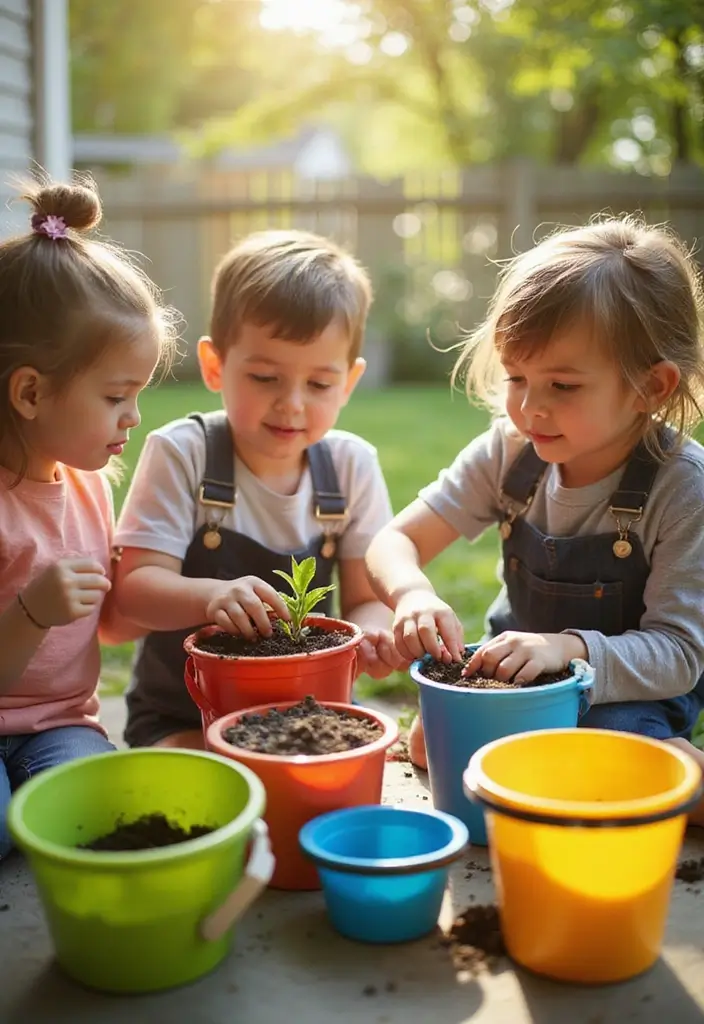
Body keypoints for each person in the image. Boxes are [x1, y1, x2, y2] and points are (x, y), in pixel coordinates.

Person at [366, 216, 704, 823]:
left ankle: (681, 774)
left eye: (563, 385)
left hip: (618, 693)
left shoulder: (683, 486)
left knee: (600, 764)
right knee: (428, 750)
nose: (529, 406)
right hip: (514, 679)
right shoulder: (510, 452)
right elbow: (394, 541)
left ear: (650, 387)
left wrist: (566, 648)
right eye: (517, 378)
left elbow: (679, 654)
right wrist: (412, 593)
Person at [113, 229, 405, 750]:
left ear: (349, 382)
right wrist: (212, 596)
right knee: (210, 789)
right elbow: (134, 592)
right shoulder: (184, 453)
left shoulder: (350, 465)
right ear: (215, 366)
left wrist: (373, 634)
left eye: (318, 384)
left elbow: (366, 599)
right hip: (187, 715)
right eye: (266, 377)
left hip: (310, 712)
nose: (292, 404)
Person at [0, 178, 176, 857]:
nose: (133, 417)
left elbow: (109, 621)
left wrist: (179, 596)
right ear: (31, 393)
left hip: (59, 727)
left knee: (93, 809)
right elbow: (42, 625)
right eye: (115, 396)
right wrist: (32, 614)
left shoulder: (88, 487)